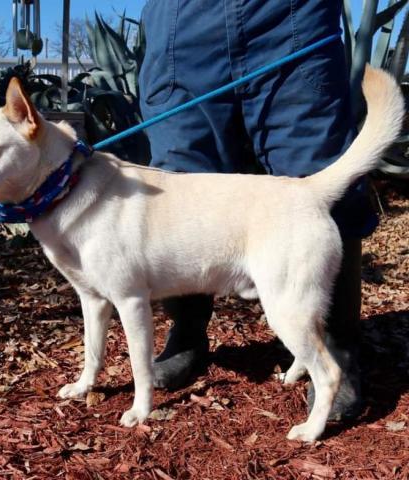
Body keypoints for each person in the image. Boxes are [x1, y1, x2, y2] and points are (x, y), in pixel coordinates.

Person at [138, 0, 375, 419]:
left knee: (320, 176)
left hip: (291, 15)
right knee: (180, 178)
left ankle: (336, 344)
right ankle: (188, 332)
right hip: (182, 23)